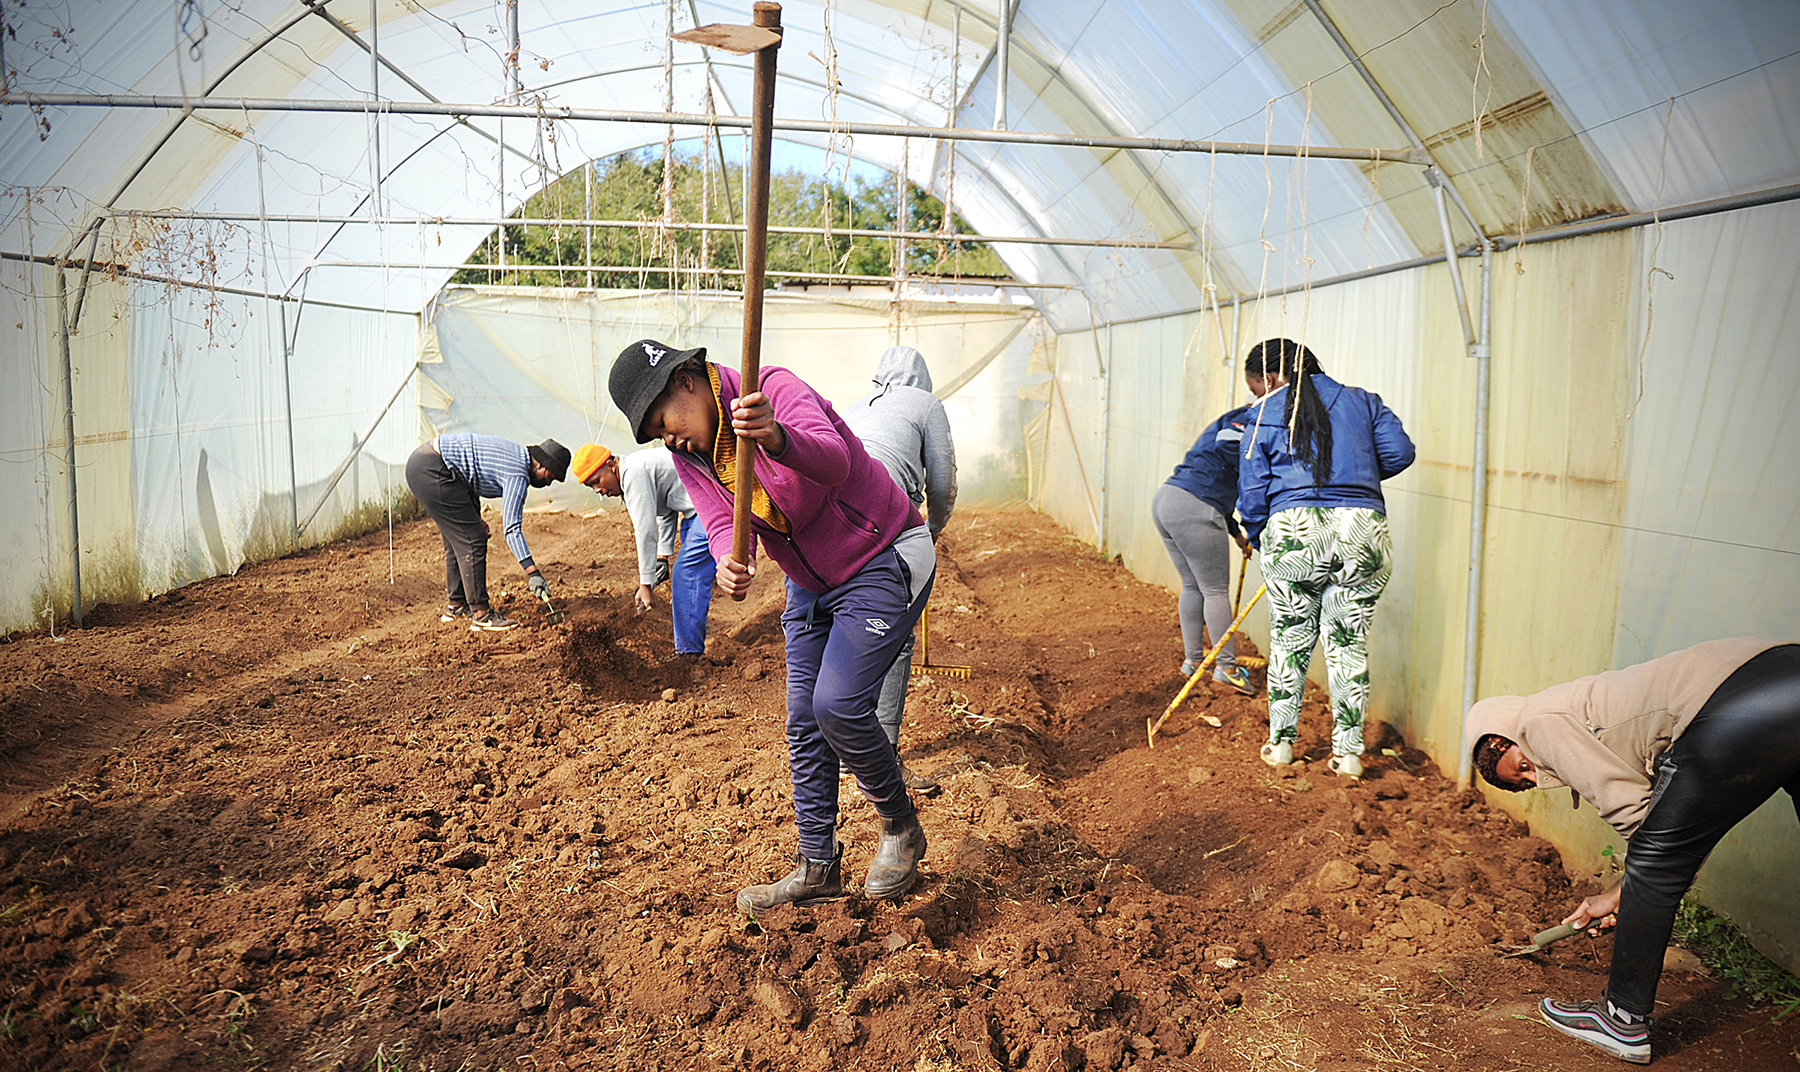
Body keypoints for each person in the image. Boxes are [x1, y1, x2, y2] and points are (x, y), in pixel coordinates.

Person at [608, 339, 934, 913]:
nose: (669, 439)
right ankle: (817, 867)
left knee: (839, 705)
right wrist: (727, 558)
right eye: (655, 434)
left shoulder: (774, 391)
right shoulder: (695, 454)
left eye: (663, 422)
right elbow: (716, 516)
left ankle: (900, 826)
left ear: (687, 380)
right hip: (809, 580)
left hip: (882, 554)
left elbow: (836, 460)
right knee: (805, 718)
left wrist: (778, 438)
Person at [1466, 638, 1799, 1065]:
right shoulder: (1579, 705)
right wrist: (1630, 885)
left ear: (1506, 733)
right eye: (1525, 782)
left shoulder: (1538, 723)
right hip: (1786, 669)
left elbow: (1645, 830)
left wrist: (1632, 885)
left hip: (1736, 701)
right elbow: (1679, 837)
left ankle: (1622, 1020)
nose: (1536, 776)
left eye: (1523, 766)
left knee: (1655, 860)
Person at [1237, 338, 1414, 779]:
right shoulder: (1364, 402)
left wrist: (1263, 539)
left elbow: (1253, 489)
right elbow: (1401, 452)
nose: (1257, 396)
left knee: (1291, 638)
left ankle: (1281, 745)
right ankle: (1349, 756)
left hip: (1294, 529)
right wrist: (1357, 478)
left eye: (1259, 386)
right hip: (1362, 529)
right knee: (1348, 643)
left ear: (1273, 378)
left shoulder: (1262, 415)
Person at [840, 346, 957, 791]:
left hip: (832, 519)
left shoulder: (853, 408)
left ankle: (838, 750)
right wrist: (934, 529)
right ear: (921, 379)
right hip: (887, 516)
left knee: (844, 625)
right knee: (892, 632)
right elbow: (943, 480)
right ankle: (880, 757)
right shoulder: (926, 404)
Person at [1151, 357, 1287, 697]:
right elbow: (1229, 446)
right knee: (1214, 590)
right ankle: (1226, 667)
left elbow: (1217, 479)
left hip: (1170, 499)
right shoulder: (1248, 420)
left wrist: (1237, 533)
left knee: (1193, 586)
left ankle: (1193, 662)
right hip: (1195, 504)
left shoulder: (1237, 416)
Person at [404, 433, 569, 632]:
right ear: (541, 466)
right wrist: (533, 572)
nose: (548, 484)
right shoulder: (518, 473)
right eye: (550, 478)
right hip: (434, 469)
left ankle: (456, 606)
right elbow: (512, 528)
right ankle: (482, 615)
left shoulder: (515, 454)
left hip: (427, 464)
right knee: (473, 540)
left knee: (458, 539)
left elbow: (470, 476)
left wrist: (475, 517)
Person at [572, 443, 716, 655]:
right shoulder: (634, 468)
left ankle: (689, 654)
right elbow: (666, 508)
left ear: (611, 465)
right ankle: (690, 645)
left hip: (712, 504)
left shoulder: (632, 473)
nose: (599, 491)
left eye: (597, 481)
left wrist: (645, 584)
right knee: (688, 574)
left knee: (687, 575)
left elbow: (645, 530)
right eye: (592, 487)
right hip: (695, 509)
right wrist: (662, 556)